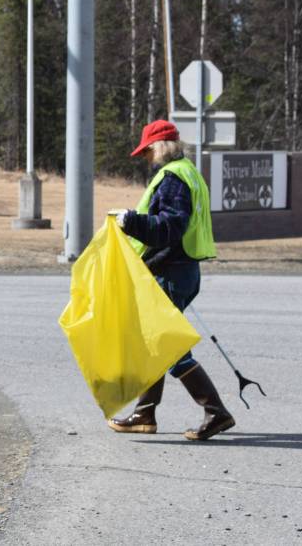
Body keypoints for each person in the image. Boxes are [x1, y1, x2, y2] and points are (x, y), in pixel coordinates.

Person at [107, 119, 235, 441]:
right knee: (155, 342)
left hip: (172, 271)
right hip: (182, 269)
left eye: (147, 152)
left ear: (159, 147)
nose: (147, 159)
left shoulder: (173, 178)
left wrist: (131, 222)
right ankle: (144, 414)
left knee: (166, 346)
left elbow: (170, 228)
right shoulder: (188, 172)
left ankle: (216, 412)